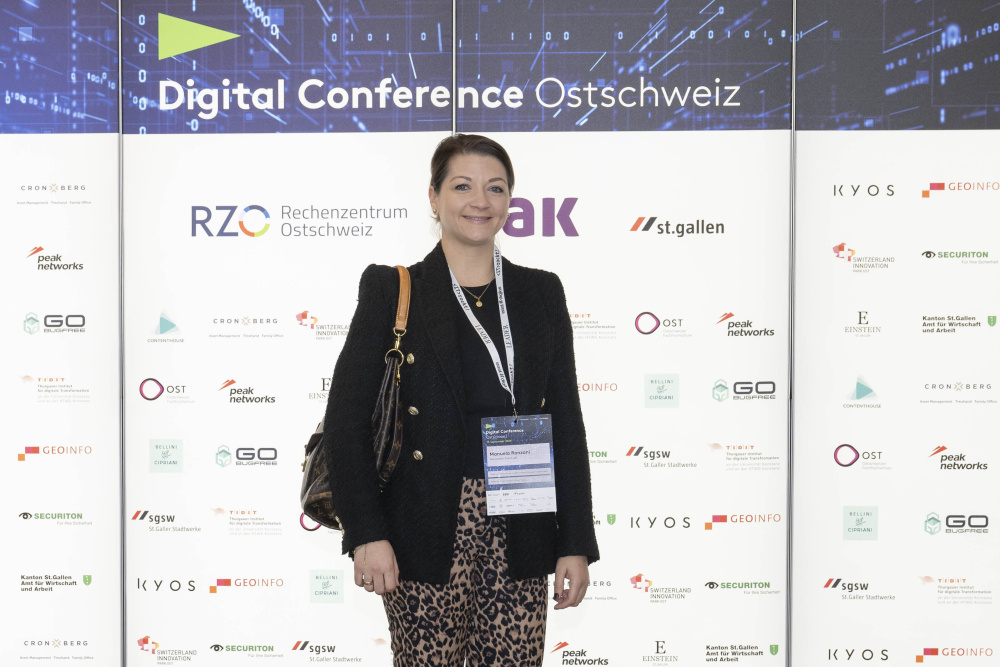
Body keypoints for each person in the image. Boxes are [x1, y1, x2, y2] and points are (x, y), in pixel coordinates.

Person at [323, 133, 599, 665]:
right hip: (424, 520)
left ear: (510, 200)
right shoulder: (391, 289)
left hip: (522, 512)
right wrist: (366, 533)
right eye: (462, 186)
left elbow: (566, 421)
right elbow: (345, 421)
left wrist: (575, 541)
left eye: (495, 188)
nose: (480, 201)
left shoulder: (541, 292)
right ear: (434, 197)